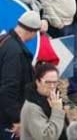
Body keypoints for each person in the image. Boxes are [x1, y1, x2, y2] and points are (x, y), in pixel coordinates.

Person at [0, 11, 42, 140]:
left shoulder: (4, 40)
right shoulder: (15, 52)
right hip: (6, 120)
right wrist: (17, 119)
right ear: (32, 32)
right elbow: (9, 88)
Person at [18, 62, 67, 140]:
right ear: (38, 82)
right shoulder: (32, 107)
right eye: (47, 82)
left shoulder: (53, 100)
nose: (52, 86)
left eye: (55, 82)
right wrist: (57, 111)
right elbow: (47, 137)